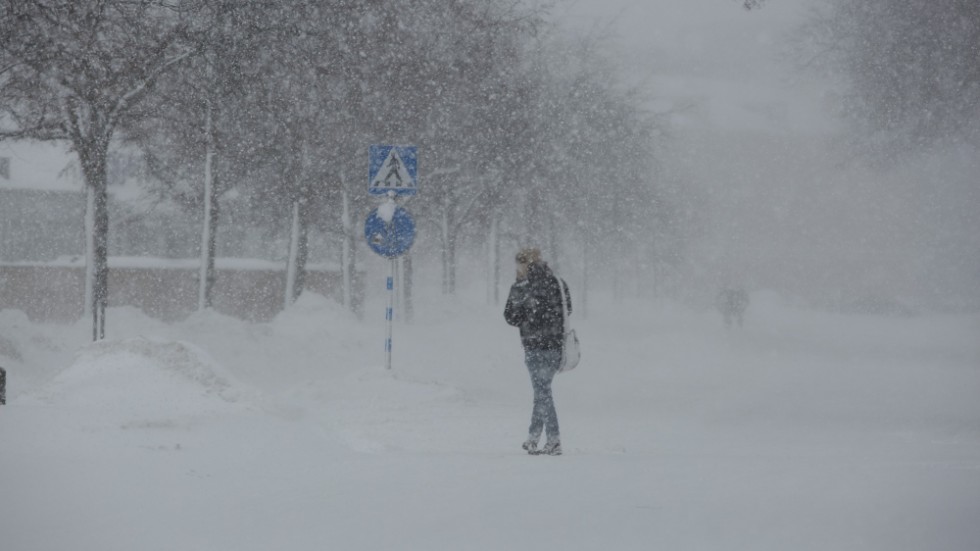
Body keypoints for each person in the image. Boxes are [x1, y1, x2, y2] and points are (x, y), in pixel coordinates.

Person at [504, 247, 571, 456]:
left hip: (534, 346)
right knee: (542, 392)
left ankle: (553, 439)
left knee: (542, 392)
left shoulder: (521, 287)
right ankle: (533, 438)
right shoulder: (559, 282)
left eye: (518, 264)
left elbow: (510, 317)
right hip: (556, 346)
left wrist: (528, 315)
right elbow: (567, 309)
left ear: (524, 264)